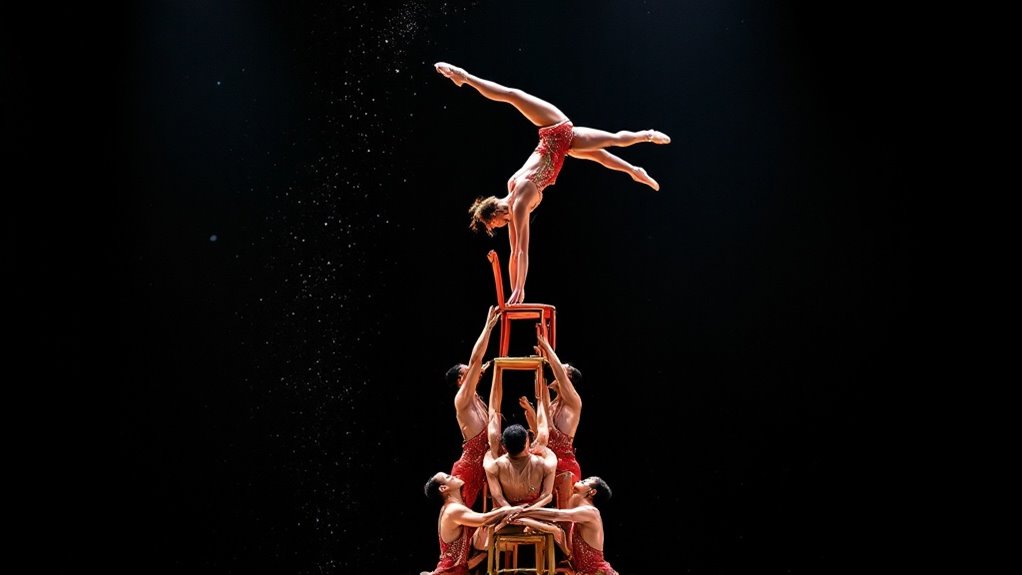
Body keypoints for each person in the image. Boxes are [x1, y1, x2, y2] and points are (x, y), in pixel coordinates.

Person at [435, 61, 670, 304]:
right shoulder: (512, 197)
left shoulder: (519, 201)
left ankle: (647, 135)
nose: (497, 228)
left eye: (493, 225)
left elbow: (522, 250)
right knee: (602, 154)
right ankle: (634, 170)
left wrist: (520, 288)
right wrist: (514, 290)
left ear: (496, 212)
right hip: (565, 145)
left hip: (554, 126)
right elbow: (514, 253)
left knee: (515, 96)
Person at [482, 356, 557, 510]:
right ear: (527, 441)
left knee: (492, 435)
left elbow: (493, 412)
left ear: (504, 445)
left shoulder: (493, 463)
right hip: (534, 512)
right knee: (542, 437)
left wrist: (497, 371)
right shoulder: (545, 461)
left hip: (507, 512)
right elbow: (547, 495)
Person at [519, 330, 583, 509]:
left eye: (564, 367)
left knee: (563, 519)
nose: (558, 368)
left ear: (568, 378)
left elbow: (559, 374)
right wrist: (531, 411)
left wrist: (547, 347)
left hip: (565, 469)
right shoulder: (552, 405)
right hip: (545, 464)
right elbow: (540, 430)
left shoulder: (573, 402)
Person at [446, 305, 501, 510]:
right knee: (461, 518)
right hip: (469, 468)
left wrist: (478, 373)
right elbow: (476, 359)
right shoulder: (462, 399)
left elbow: (478, 364)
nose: (475, 370)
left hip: (485, 464)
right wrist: (488, 327)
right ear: (461, 379)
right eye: (467, 372)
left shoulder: (476, 397)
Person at [421, 472, 524, 575]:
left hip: (458, 569)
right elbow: (483, 519)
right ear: (443, 488)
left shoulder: (454, 507)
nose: (455, 476)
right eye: (449, 477)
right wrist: (506, 509)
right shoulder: (452, 510)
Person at [513, 476, 618, 575]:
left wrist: (525, 511)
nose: (580, 481)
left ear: (592, 492)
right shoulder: (579, 515)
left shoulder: (591, 512)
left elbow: (556, 515)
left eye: (585, 482)